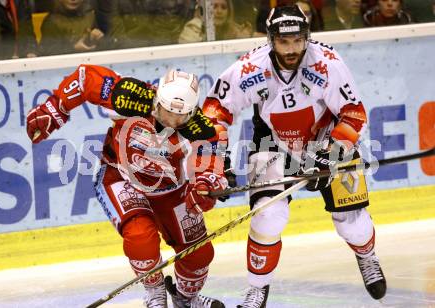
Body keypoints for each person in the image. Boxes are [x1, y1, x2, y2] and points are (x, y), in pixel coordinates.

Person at [202, 4, 387, 307]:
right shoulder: (249, 69)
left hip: (326, 138)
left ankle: (367, 256)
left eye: (298, 41)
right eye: (284, 41)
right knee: (268, 215)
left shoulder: (327, 63)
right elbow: (215, 111)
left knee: (352, 221)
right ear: (270, 38)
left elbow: (353, 114)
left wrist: (331, 154)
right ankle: (257, 288)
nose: (291, 49)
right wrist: (215, 161)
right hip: (273, 145)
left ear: (306, 37)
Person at [26, 66, 228, 308]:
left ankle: (186, 299)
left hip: (171, 190)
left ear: (193, 111)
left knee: (199, 255)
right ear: (157, 100)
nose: (172, 121)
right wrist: (55, 107)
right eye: (166, 112)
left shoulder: (202, 128)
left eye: (181, 117)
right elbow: (85, 78)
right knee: (140, 238)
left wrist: (206, 183)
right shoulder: (131, 95)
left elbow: (211, 157)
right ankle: (155, 292)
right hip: (120, 177)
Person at [39, 0, 105, 56]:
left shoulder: (90, 16)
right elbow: (47, 52)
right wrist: (73, 49)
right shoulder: (52, 21)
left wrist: (98, 38)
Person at [178, 0, 252, 44]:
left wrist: (244, 39)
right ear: (205, 10)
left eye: (223, 7)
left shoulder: (232, 28)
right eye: (214, 6)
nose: (219, 11)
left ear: (229, 12)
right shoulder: (193, 27)